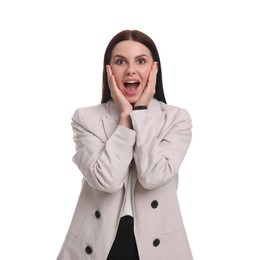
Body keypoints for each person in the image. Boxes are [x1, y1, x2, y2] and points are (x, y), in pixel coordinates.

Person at [57, 29, 193, 260]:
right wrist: (124, 119)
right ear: (108, 70)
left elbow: (153, 176)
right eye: (120, 62)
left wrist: (140, 112)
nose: (131, 70)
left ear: (154, 69)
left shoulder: (176, 119)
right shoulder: (85, 119)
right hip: (97, 245)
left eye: (141, 61)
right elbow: (107, 180)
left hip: (158, 247)